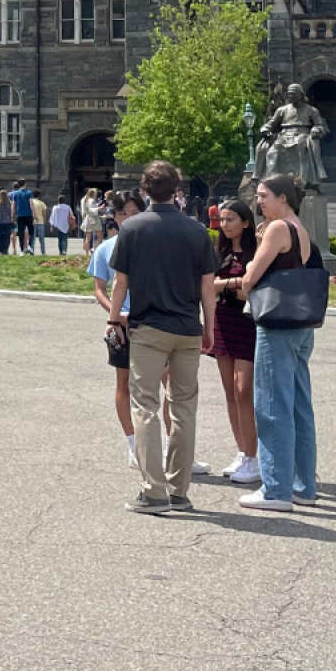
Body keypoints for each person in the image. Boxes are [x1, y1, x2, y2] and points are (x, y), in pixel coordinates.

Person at [106, 161, 218, 514]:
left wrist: (113, 318)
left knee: (147, 407)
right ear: (177, 189)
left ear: (144, 191)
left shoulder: (133, 228)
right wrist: (209, 327)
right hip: (187, 327)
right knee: (184, 409)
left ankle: (153, 491)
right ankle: (179, 491)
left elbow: (120, 281)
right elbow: (207, 287)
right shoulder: (196, 230)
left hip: (148, 327)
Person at [232, 175, 320, 512]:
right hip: (300, 322)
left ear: (283, 197)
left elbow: (251, 277)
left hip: (276, 322)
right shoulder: (300, 228)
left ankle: (276, 489)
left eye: (264, 196)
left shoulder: (277, 228)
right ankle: (302, 484)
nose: (259, 203)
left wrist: (249, 268)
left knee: (271, 404)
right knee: (298, 404)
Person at [205, 199, 261, 485]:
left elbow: (252, 291)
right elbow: (207, 284)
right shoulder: (219, 252)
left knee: (243, 390)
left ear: (246, 222)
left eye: (231, 220)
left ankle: (253, 455)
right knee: (229, 392)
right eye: (222, 220)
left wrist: (226, 285)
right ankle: (242, 452)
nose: (225, 225)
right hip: (223, 320)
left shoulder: (257, 251)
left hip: (249, 324)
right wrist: (234, 284)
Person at [89, 191, 144, 469]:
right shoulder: (106, 248)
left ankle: (174, 445)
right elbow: (99, 289)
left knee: (167, 383)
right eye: (122, 214)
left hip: (151, 321)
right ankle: (133, 445)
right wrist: (115, 314)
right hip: (121, 323)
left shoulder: (154, 244)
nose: (127, 218)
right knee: (124, 383)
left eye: (134, 213)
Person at [9, 180, 35, 255]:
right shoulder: (29, 193)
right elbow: (31, 204)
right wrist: (34, 214)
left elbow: (13, 206)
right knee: (31, 232)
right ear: (25, 184)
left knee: (21, 233)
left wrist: (12, 216)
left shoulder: (16, 193)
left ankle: (22, 250)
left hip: (19, 215)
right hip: (28, 215)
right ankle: (29, 246)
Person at [0, 181, 15, 255]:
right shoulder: (10, 203)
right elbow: (11, 212)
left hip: (0, 222)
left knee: (0, 236)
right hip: (8, 222)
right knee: (7, 236)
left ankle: (1, 249)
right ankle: (6, 249)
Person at [80, 188, 102, 253]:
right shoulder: (92, 200)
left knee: (88, 238)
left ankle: (87, 253)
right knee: (100, 237)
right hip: (93, 219)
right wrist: (99, 208)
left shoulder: (84, 200)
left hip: (87, 219)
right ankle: (95, 249)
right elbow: (91, 210)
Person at [30, 190, 49, 255]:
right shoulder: (42, 203)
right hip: (40, 222)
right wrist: (44, 220)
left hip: (32, 222)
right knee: (41, 239)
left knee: (32, 239)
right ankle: (43, 252)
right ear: (39, 195)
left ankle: (32, 251)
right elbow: (44, 214)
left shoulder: (30, 202)